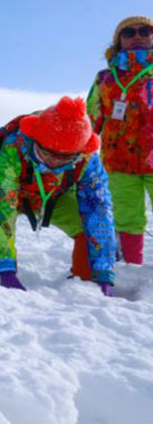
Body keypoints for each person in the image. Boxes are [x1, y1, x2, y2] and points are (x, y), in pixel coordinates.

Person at [0, 97, 116, 295]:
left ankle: (86, 280)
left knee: (89, 224)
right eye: (48, 155)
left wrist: (104, 272)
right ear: (34, 139)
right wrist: (6, 269)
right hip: (10, 194)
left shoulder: (88, 158)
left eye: (65, 159)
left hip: (54, 197)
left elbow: (99, 211)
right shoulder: (13, 147)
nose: (54, 164)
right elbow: (1, 208)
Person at [88, 15, 153, 265]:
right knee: (126, 219)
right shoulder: (105, 78)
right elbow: (91, 118)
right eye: (129, 33)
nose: (137, 35)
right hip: (118, 162)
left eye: (144, 30)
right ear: (119, 41)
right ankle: (131, 269)